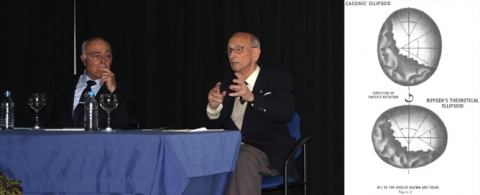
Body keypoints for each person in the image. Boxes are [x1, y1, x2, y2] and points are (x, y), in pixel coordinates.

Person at [198, 32, 298, 194]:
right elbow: (205, 127)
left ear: (255, 53)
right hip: (230, 149)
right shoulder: (224, 84)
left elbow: (285, 113)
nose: (232, 55)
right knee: (194, 158)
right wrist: (213, 108)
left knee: (242, 159)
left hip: (267, 151)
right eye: (229, 51)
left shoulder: (277, 79)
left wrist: (252, 97)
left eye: (238, 49)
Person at [39, 37, 136, 129]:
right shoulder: (61, 85)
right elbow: (42, 120)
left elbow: (127, 124)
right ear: (83, 59)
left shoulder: (121, 91)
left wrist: (113, 90)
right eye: (96, 56)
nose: (103, 61)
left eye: (107, 56)